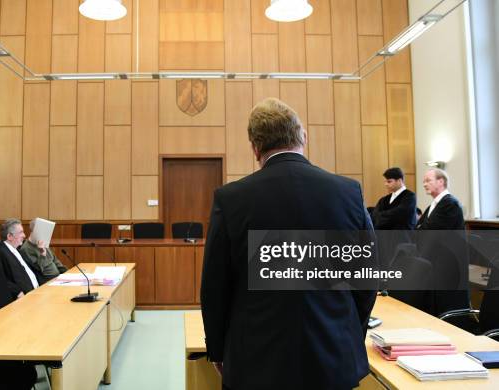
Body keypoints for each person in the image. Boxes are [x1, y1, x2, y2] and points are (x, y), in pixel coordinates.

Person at [200, 98, 376, 390]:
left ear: (255, 147)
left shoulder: (231, 199)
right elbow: (366, 279)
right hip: (333, 357)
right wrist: (346, 334)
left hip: (255, 361)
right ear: (304, 137)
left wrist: (218, 350)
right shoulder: (348, 192)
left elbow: (214, 287)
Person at [416, 168, 468, 315]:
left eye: (428, 180)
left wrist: (422, 228)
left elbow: (431, 232)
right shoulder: (433, 205)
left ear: (441, 181)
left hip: (448, 265)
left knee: (446, 305)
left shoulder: (449, 203)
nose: (424, 184)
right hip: (435, 261)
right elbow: (419, 228)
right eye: (424, 181)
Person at [0, 218, 41, 299]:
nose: (24, 235)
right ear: (10, 236)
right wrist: (17, 292)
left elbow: (34, 269)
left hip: (37, 292)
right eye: (21, 232)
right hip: (24, 298)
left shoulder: (19, 250)